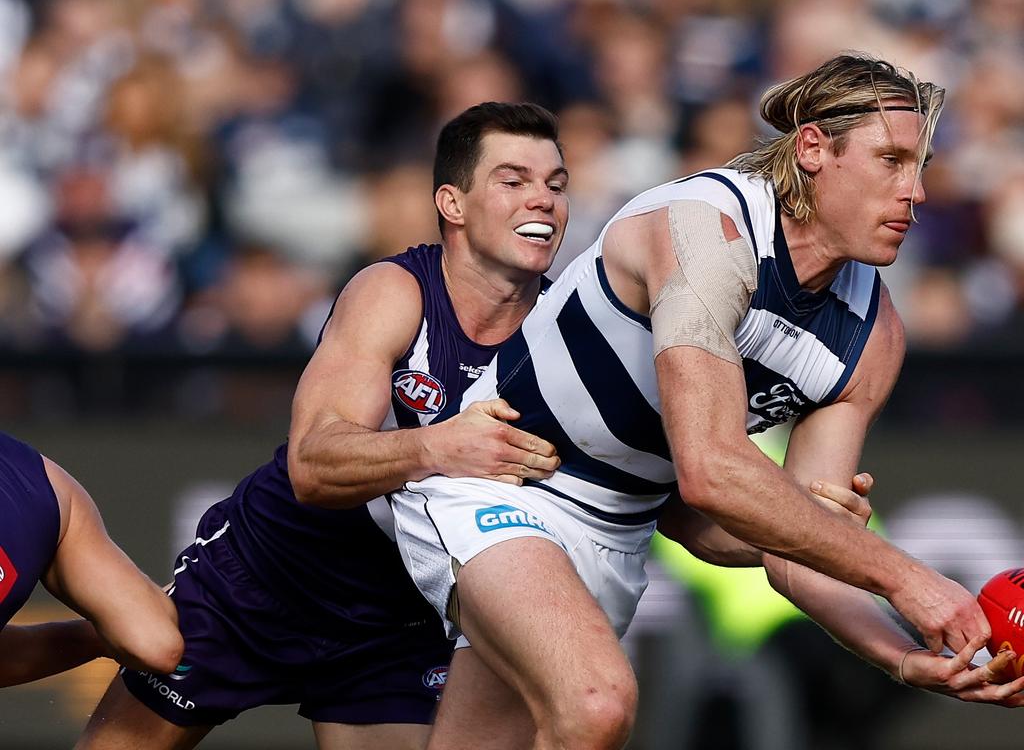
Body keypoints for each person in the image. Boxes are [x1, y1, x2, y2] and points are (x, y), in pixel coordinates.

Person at [388, 54, 1024, 750]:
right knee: (597, 704)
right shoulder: (706, 228)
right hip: (503, 483)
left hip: (614, 538)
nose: (918, 192)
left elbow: (791, 553)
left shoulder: (875, 338)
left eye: (921, 166)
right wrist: (909, 579)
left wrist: (901, 655)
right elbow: (710, 471)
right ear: (813, 149)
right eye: (893, 161)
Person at [75, 102, 566, 750]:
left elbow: (657, 484)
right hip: (263, 578)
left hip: (396, 616)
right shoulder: (394, 292)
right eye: (514, 180)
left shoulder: (566, 332)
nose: (544, 199)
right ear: (452, 202)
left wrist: (744, 523)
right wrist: (440, 445)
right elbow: (312, 466)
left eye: (556, 185)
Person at [0, 432, 182, 688]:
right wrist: (96, 638)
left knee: (155, 645)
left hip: (36, 491)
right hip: (38, 482)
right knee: (154, 643)